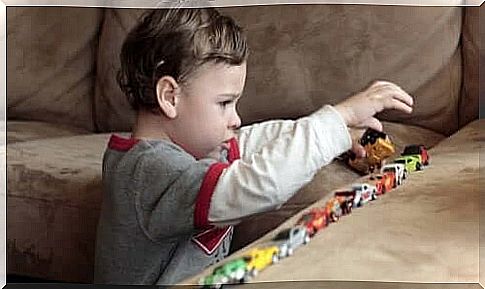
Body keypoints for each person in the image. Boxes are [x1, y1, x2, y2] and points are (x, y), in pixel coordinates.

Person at [93, 7, 414, 285]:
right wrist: (337, 117)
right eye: (224, 103)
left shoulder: (182, 155)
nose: (235, 118)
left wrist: (339, 135)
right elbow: (257, 185)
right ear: (170, 97)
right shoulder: (150, 172)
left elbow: (244, 143)